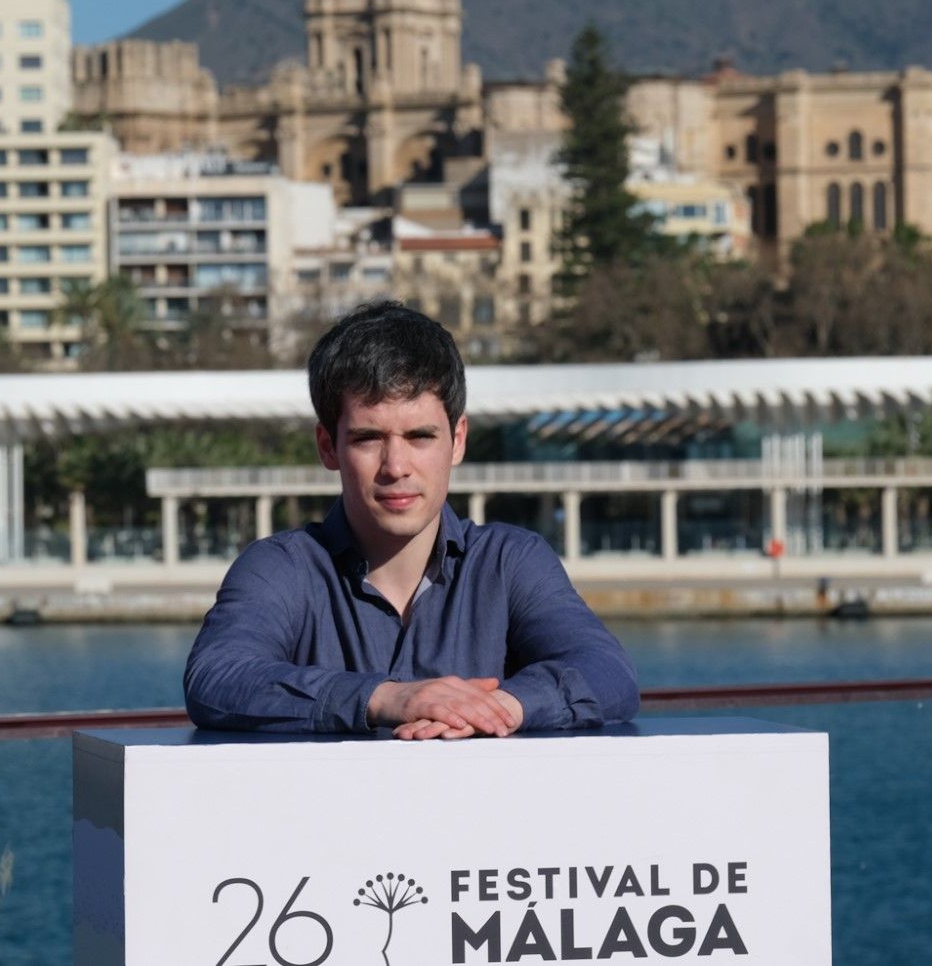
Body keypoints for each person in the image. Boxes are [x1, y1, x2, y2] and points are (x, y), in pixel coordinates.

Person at [183, 301, 639, 738]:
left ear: (457, 441)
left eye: (420, 436)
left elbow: (608, 672)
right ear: (328, 447)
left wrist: (496, 709)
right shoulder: (279, 567)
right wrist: (386, 699)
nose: (396, 466)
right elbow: (217, 677)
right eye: (368, 438)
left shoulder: (512, 562)